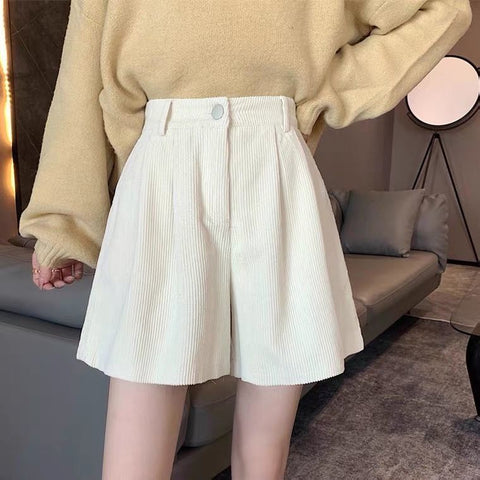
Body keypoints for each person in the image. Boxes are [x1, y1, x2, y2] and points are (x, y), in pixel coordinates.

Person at [18, 1, 472, 479]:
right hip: (163, 170)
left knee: (266, 437)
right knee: (139, 424)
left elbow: (442, 9)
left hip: (273, 160)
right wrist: (62, 224)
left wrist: (333, 89)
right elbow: (80, 81)